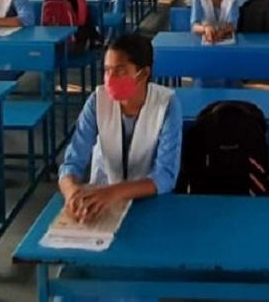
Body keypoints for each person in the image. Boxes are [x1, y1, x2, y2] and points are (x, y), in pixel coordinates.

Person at [58, 34, 182, 224]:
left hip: (148, 201)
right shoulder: (97, 101)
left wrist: (115, 192)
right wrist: (71, 192)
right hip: (102, 199)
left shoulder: (166, 105)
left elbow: (165, 176)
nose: (110, 78)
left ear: (143, 74)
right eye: (107, 70)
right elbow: (72, 161)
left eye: (120, 71)